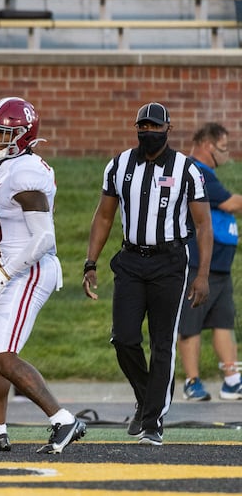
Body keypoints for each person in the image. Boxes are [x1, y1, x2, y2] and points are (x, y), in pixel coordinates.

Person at [83, 102, 212, 446]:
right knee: (123, 338)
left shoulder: (187, 169)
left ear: (168, 129)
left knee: (162, 342)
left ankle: (153, 420)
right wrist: (90, 261)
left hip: (170, 261)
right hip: (130, 259)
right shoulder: (119, 165)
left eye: (156, 127)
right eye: (144, 126)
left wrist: (201, 276)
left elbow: (203, 224)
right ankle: (146, 396)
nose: (149, 133)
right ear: (136, 127)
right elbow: (105, 216)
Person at [0, 96, 86, 455]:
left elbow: (43, 238)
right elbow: (13, 234)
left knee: (4, 354)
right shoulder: (10, 167)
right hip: (16, 265)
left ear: (22, 136)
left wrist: (4, 270)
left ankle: (62, 419)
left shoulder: (24, 172)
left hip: (32, 270)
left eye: (2, 133)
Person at [178, 122, 242, 401]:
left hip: (220, 267)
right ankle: (192, 382)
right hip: (198, 265)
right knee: (191, 323)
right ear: (207, 146)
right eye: (223, 148)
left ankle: (232, 380)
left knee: (223, 322)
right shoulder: (198, 172)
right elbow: (230, 203)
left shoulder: (209, 174)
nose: (226, 154)